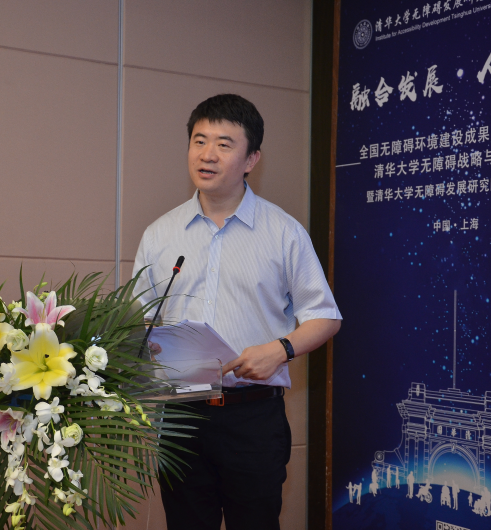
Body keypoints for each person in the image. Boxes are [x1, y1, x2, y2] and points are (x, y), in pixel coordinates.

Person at [131, 94, 342, 530]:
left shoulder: (283, 232)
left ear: (251, 159)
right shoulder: (159, 234)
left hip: (253, 417)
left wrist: (280, 350)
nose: (207, 154)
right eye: (199, 140)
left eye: (224, 144)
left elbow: (325, 316)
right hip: (182, 415)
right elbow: (139, 319)